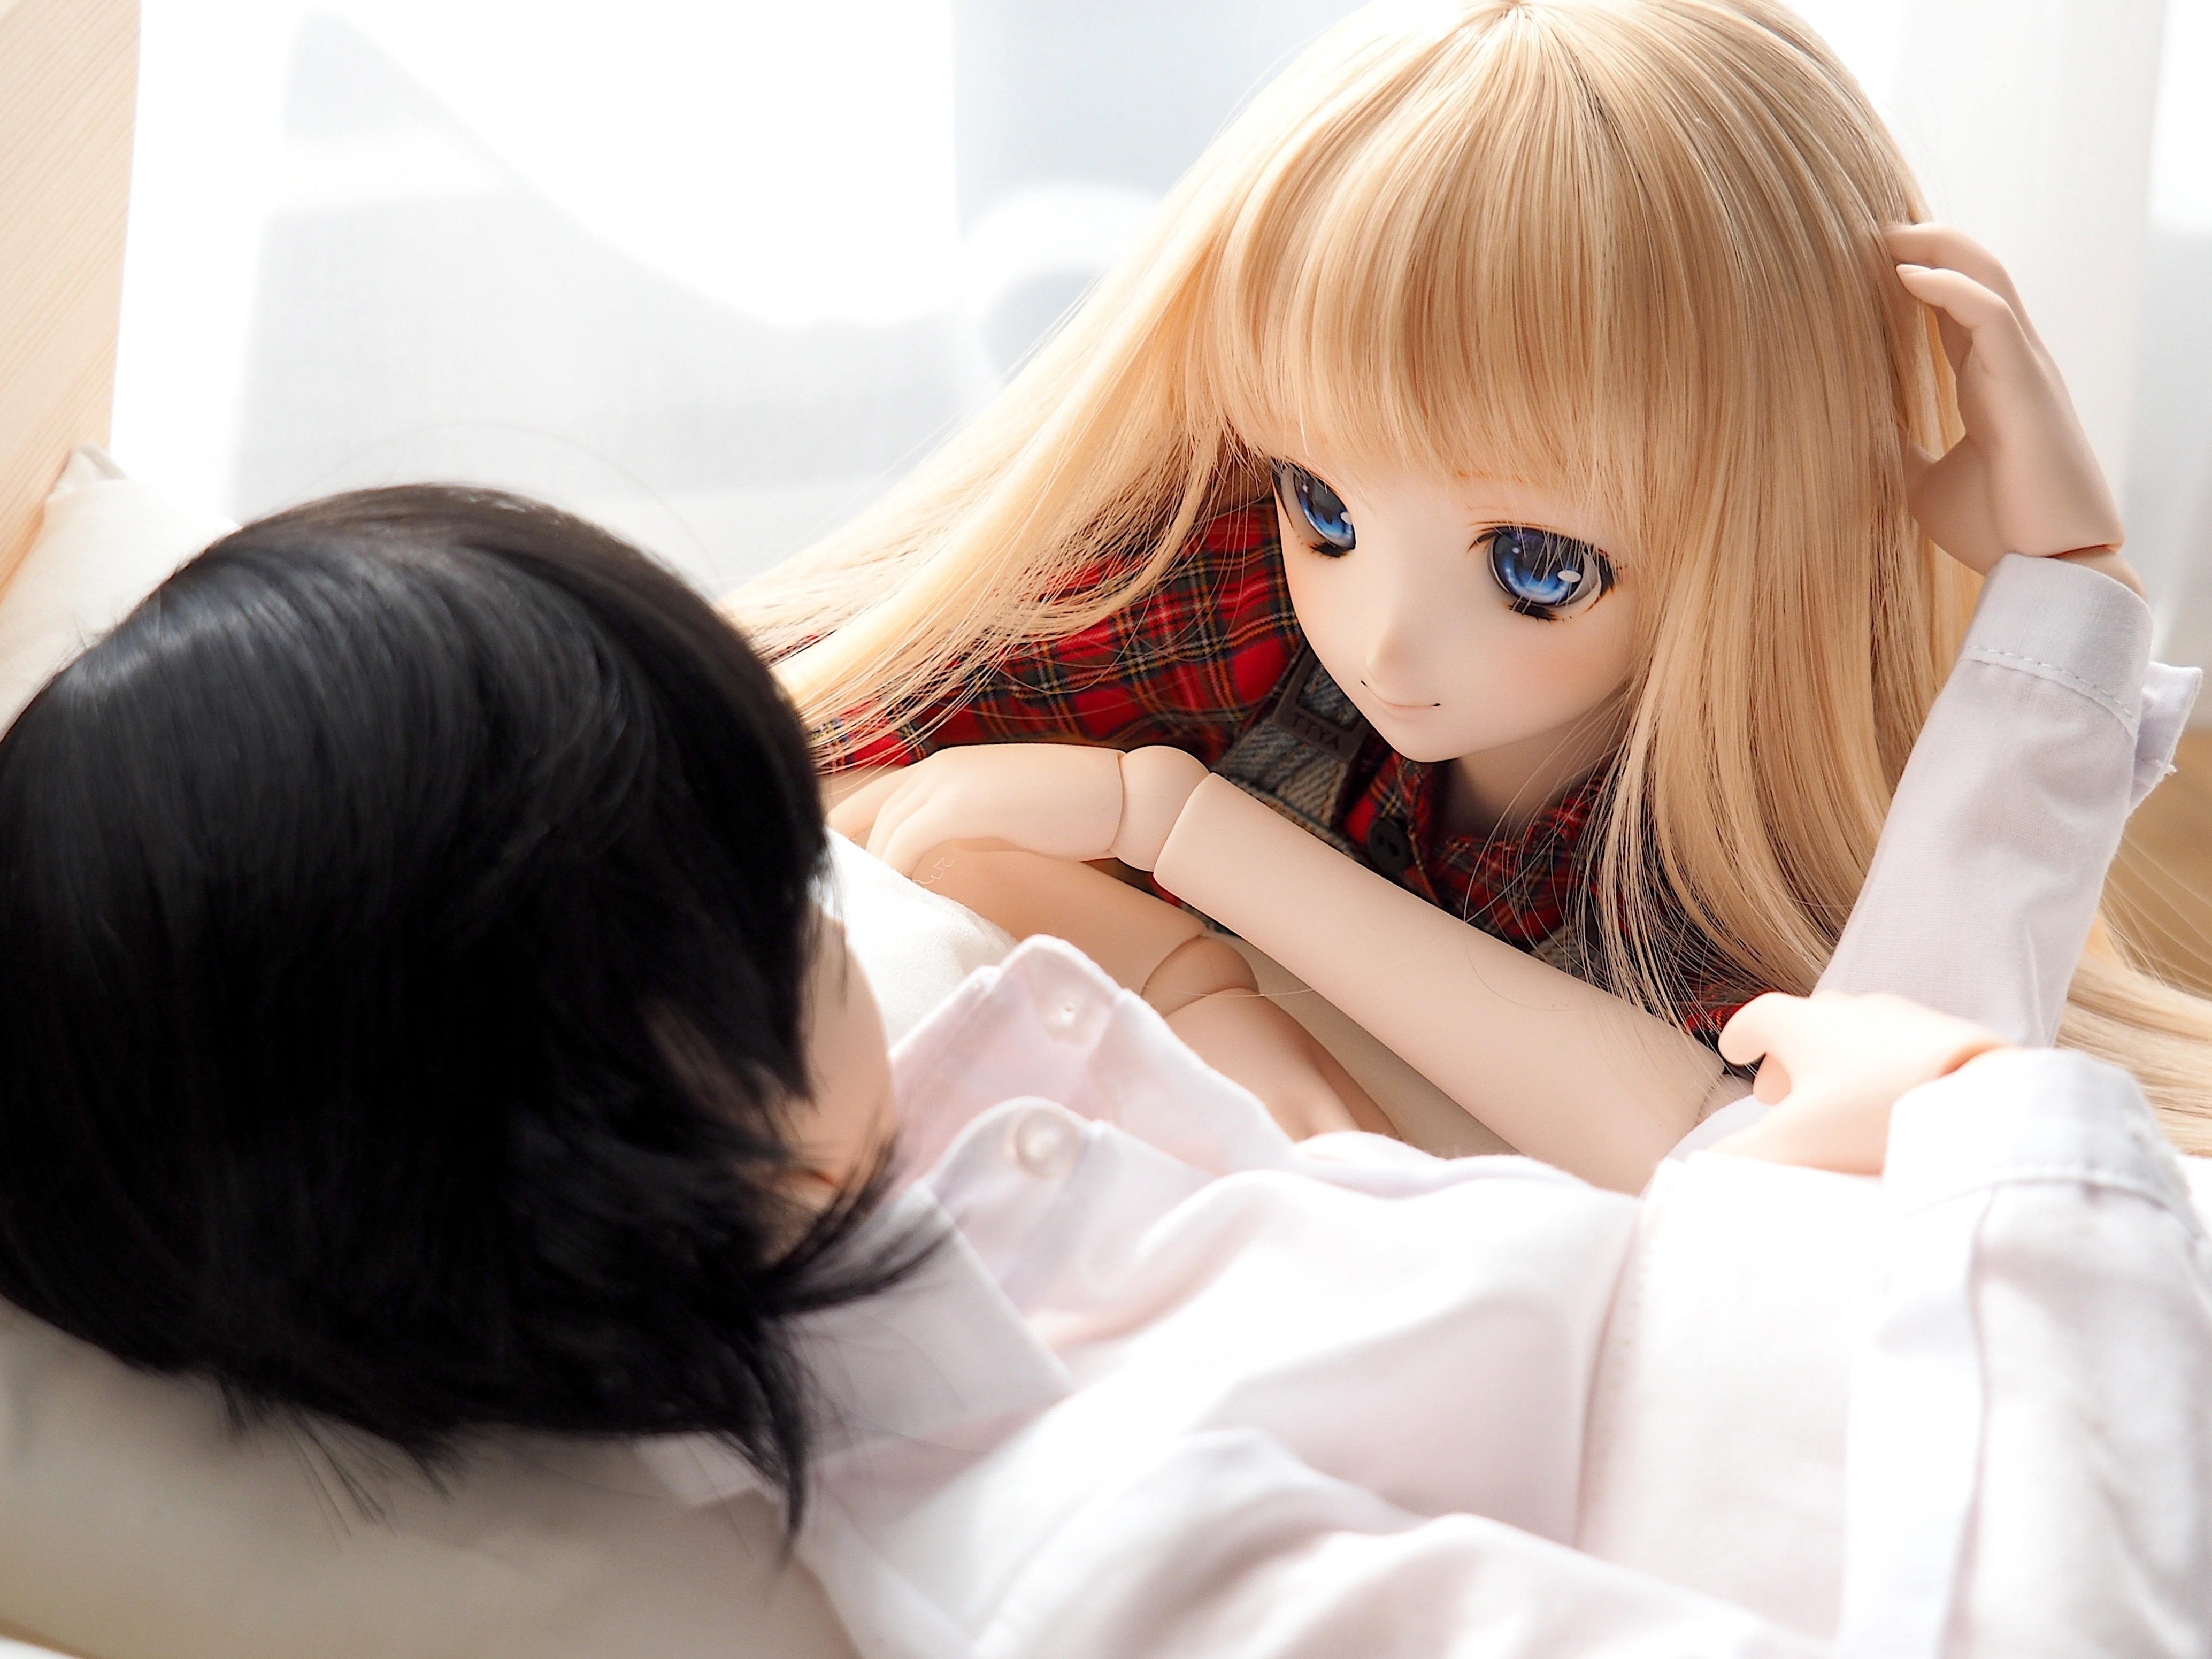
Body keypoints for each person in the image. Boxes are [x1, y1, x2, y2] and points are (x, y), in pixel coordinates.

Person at [0, 482, 2197, 1656]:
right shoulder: (1080, 1549)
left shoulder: (953, 1155)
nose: (829, 892)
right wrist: (1996, 1164)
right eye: (761, 901)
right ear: (592, 1119)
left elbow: (1601, 1317)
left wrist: (1797, 1180)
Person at [739, 0, 2212, 1177]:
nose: (1383, 640)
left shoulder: (1695, 806)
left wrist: (1170, 824)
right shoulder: (1242, 579)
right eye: (1326, 504)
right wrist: (1185, 976)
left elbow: (1766, 1140)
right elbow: (808, 748)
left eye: (1537, 566)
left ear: (1764, 531)